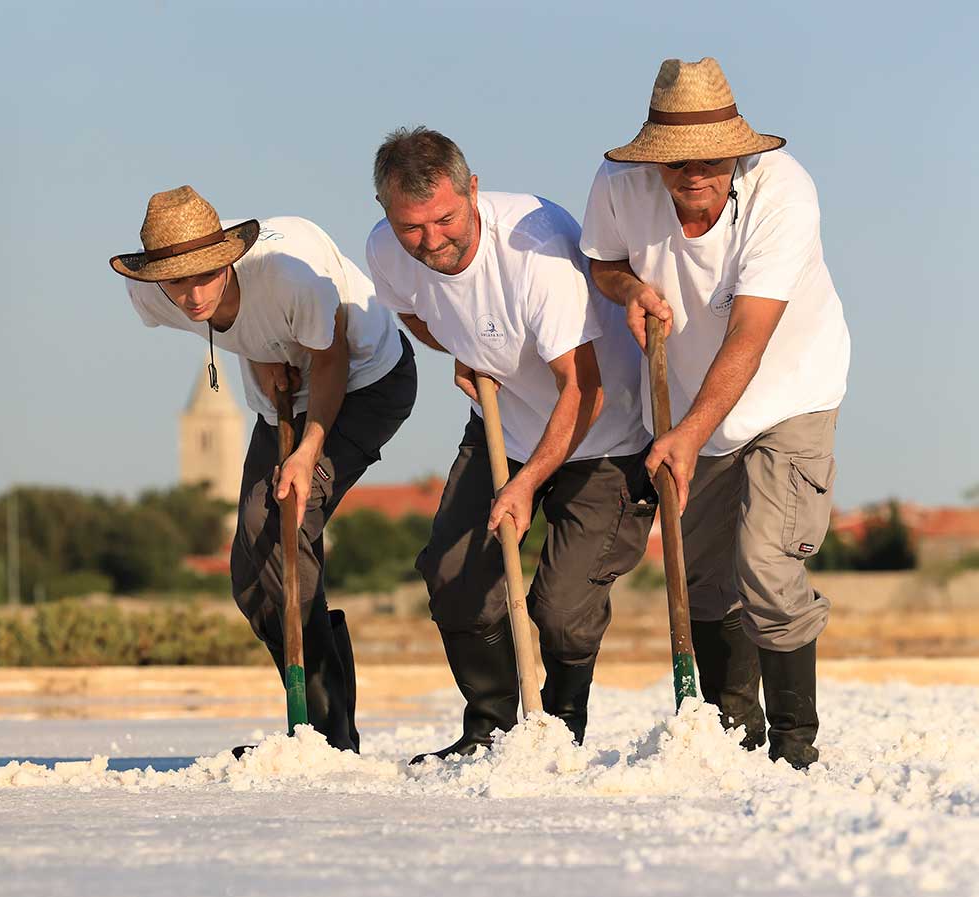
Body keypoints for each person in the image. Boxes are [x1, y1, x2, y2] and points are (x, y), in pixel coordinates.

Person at [581, 57, 850, 768]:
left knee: (766, 563)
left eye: (708, 161)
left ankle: (795, 746)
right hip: (691, 399)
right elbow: (601, 262)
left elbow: (750, 336)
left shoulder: (783, 193)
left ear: (736, 150)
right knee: (701, 576)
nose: (692, 177)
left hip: (789, 391)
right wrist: (629, 288)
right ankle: (736, 730)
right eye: (674, 164)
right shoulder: (617, 183)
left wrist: (688, 436)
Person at [366, 128, 653, 761]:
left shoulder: (535, 246)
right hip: (508, 425)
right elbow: (416, 312)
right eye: (411, 227)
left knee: (560, 608)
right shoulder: (388, 251)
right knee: (454, 577)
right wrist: (461, 352)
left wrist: (523, 485)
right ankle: (489, 727)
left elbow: (583, 390)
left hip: (607, 437)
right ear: (386, 212)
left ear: (473, 189)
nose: (431, 241)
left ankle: (560, 730)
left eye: (445, 219)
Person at [109, 185, 417, 752]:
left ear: (228, 258)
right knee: (249, 577)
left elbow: (331, 358)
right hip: (286, 394)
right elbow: (247, 324)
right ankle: (323, 725)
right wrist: (265, 353)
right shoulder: (149, 296)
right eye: (177, 280)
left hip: (367, 381)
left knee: (283, 520)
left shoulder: (290, 269)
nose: (193, 294)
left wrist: (307, 452)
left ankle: (324, 735)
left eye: (206, 275)